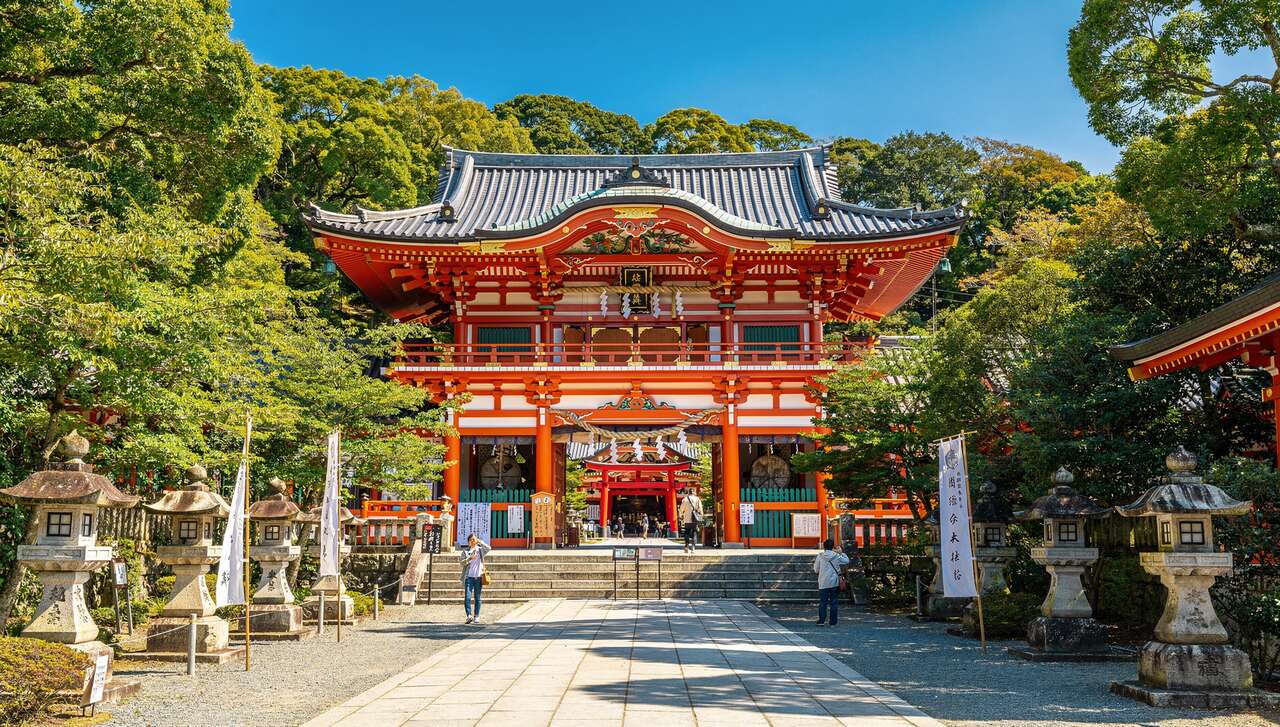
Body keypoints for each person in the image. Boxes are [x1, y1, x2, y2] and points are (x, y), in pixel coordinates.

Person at [814, 538, 850, 626]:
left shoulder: (820, 556)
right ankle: (833, 622)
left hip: (823, 582)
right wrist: (841, 553)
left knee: (823, 602)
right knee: (834, 602)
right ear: (833, 547)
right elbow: (847, 561)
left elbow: (816, 569)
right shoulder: (836, 556)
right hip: (834, 582)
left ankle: (821, 621)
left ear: (824, 547)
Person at [460, 533, 490, 624]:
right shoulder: (465, 552)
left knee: (478, 597)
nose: (473, 541)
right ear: (468, 542)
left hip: (478, 577)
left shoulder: (480, 550)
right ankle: (469, 615)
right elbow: (461, 563)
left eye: (474, 539)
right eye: (471, 540)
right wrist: (469, 558)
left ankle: (476, 616)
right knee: (467, 597)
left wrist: (481, 542)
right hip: (468, 577)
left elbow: (489, 548)